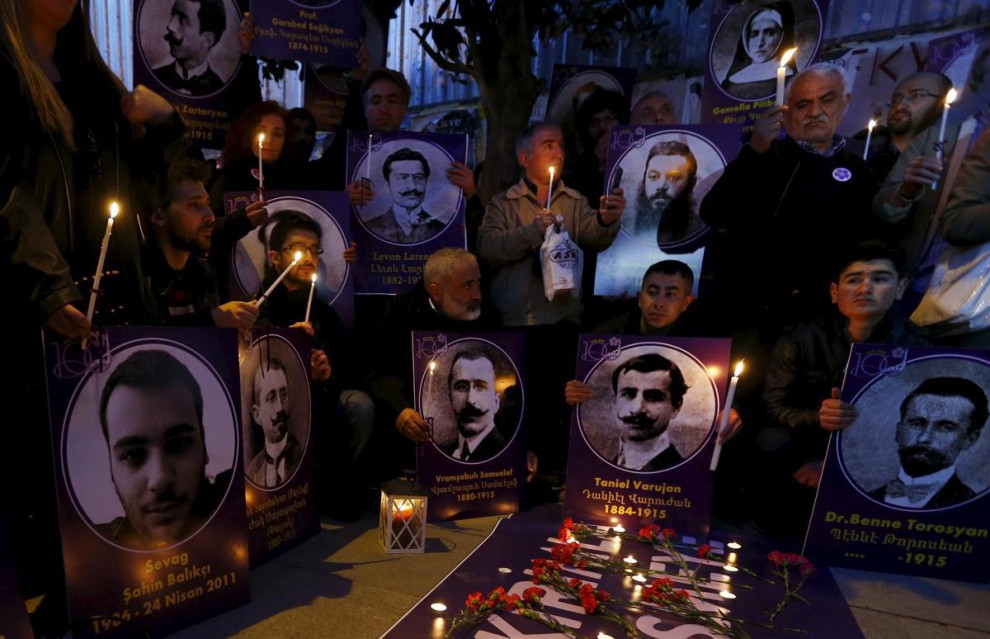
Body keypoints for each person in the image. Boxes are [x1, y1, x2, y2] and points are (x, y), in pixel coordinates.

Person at [1, 1, 182, 628]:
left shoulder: (92, 78)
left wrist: (165, 124)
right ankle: (62, 597)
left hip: (112, 286)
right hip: (39, 294)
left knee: (102, 438)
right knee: (46, 452)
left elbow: (143, 184)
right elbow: (6, 192)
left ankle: (113, 586)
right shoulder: (6, 72)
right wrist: (49, 290)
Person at [477, 121, 625, 475]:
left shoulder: (573, 201)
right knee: (519, 399)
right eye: (547, 144)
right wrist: (531, 233)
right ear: (525, 158)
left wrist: (607, 220)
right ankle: (514, 469)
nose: (557, 150)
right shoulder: (504, 203)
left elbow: (593, 234)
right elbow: (488, 246)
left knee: (557, 401)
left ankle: (552, 471)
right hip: (518, 319)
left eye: (559, 144)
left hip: (561, 317)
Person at [755, 241, 929, 535]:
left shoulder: (916, 345)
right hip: (807, 442)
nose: (865, 288)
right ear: (835, 292)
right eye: (854, 280)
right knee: (769, 440)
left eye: (880, 279)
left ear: (900, 288)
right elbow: (775, 405)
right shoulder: (802, 337)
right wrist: (819, 419)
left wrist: (835, 463)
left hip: (878, 450)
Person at [701, 62, 883, 334]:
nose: (815, 112)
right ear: (785, 113)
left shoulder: (857, 167)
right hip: (755, 317)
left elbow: (869, 239)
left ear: (845, 103)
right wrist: (755, 152)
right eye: (802, 104)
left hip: (825, 320)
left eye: (826, 99)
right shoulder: (767, 156)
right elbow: (714, 212)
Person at [256, 210, 374, 517]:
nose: (308, 257)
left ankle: (334, 489)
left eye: (314, 249)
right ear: (275, 257)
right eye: (298, 249)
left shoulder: (323, 311)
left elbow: (352, 364)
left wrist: (326, 372)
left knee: (359, 404)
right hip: (277, 401)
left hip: (323, 397)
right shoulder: (258, 308)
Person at [365, 248, 502, 477]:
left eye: (478, 283)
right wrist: (399, 410)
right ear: (436, 292)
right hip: (410, 428)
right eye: (467, 285)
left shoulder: (487, 315)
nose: (477, 294)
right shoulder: (399, 313)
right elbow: (376, 372)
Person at [96, 349, 231, 549]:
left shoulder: (240, 498)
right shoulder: (90, 547)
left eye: (179, 444)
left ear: (203, 443)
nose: (160, 479)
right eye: (133, 455)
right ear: (110, 467)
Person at [139, 150, 260, 329]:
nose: (210, 216)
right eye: (194, 205)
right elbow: (141, 338)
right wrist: (212, 320)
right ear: (159, 216)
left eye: (207, 204)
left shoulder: (202, 275)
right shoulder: (137, 277)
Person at [868, 377, 987, 509]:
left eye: (945, 427)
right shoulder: (863, 500)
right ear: (899, 431)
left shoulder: (975, 509)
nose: (924, 438)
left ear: (969, 439)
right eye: (916, 424)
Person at [854, 72, 952, 181]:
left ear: (943, 103)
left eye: (918, 95)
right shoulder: (865, 145)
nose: (899, 106)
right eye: (895, 100)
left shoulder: (950, 156)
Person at [607, 353, 689, 471]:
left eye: (653, 397)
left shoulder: (684, 473)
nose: (637, 409)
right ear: (615, 402)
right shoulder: (599, 467)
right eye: (628, 394)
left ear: (676, 406)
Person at [629, 140, 704, 246]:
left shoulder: (702, 230)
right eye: (654, 176)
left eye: (674, 177)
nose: (661, 186)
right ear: (645, 179)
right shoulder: (624, 225)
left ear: (691, 183)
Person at [363, 147, 446, 243]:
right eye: (403, 178)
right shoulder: (369, 228)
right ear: (388, 185)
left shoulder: (441, 229)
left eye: (418, 178)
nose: (412, 187)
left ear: (426, 182)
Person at [441, 349, 508, 463]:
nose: (470, 400)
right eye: (462, 387)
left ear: (496, 402)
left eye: (480, 386)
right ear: (450, 397)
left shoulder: (505, 453)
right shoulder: (443, 452)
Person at [720, 2, 796, 100]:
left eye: (769, 33)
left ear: (782, 37)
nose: (760, 43)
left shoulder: (791, 79)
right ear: (746, 39)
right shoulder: (730, 82)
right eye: (754, 34)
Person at [246, 356, 302, 488]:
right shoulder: (251, 472)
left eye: (284, 395)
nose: (280, 408)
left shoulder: (303, 455)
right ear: (257, 414)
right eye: (272, 398)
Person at [152, 0, 228, 96]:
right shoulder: (152, 79)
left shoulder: (221, 93)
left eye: (183, 19)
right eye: (173, 14)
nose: (170, 26)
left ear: (207, 40)